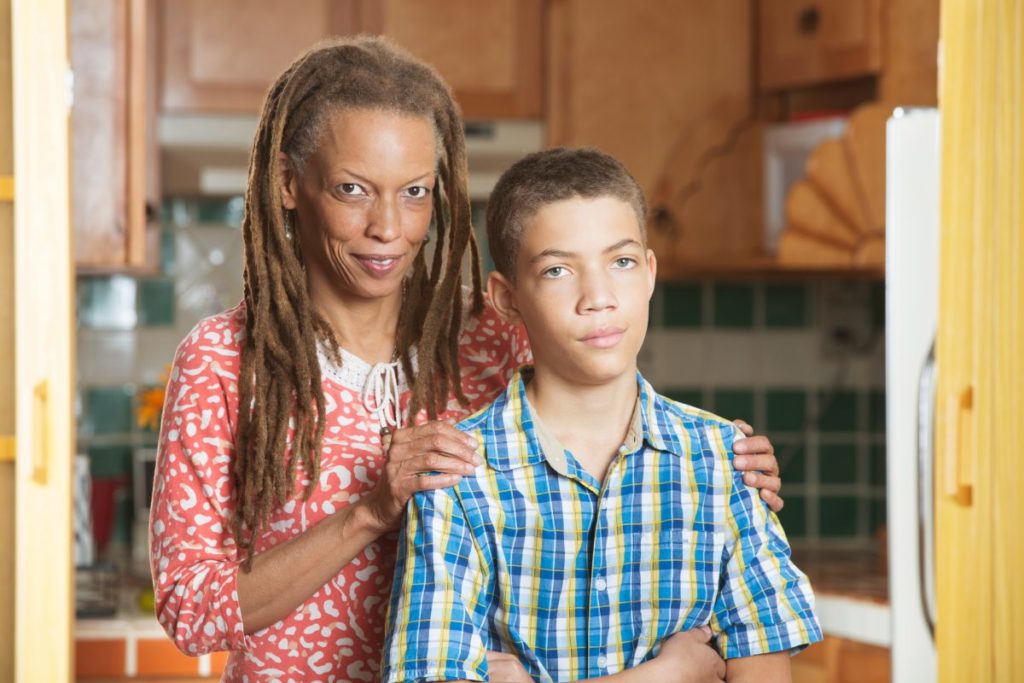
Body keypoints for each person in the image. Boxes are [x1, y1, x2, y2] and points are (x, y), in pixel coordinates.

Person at [149, 37, 787, 682]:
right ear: (290, 184)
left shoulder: (491, 333)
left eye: (416, 192)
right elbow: (191, 611)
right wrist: (368, 513)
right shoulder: (224, 362)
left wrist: (720, 465)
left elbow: (605, 456)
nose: (389, 227)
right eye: (352, 189)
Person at [381, 148, 822, 683]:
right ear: (507, 297)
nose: (599, 298)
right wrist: (667, 676)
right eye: (559, 270)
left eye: (622, 262)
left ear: (651, 272)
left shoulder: (725, 462)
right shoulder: (457, 477)